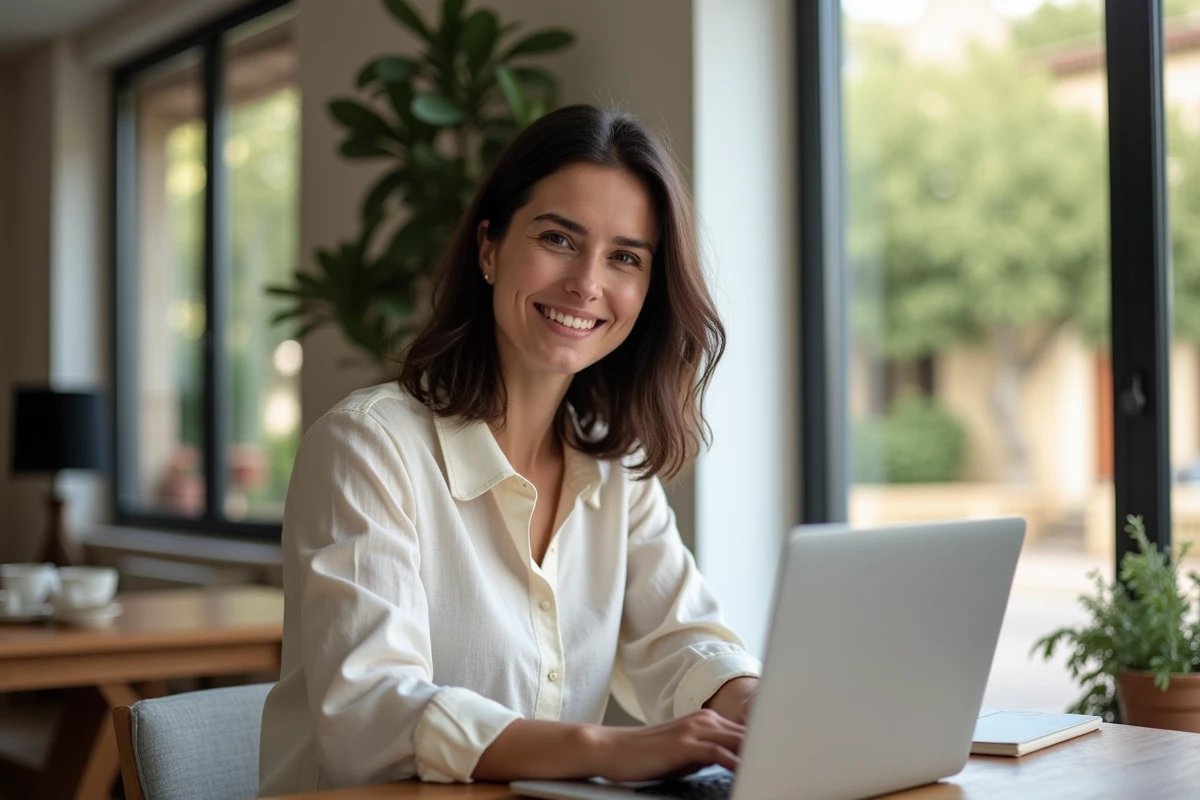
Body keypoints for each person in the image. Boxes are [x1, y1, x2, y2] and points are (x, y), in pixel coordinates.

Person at [258, 104, 761, 796]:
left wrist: (756, 707)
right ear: (489, 248)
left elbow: (683, 641)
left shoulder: (614, 473)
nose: (587, 282)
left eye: (625, 257)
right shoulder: (369, 446)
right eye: (559, 239)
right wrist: (605, 748)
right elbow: (370, 716)